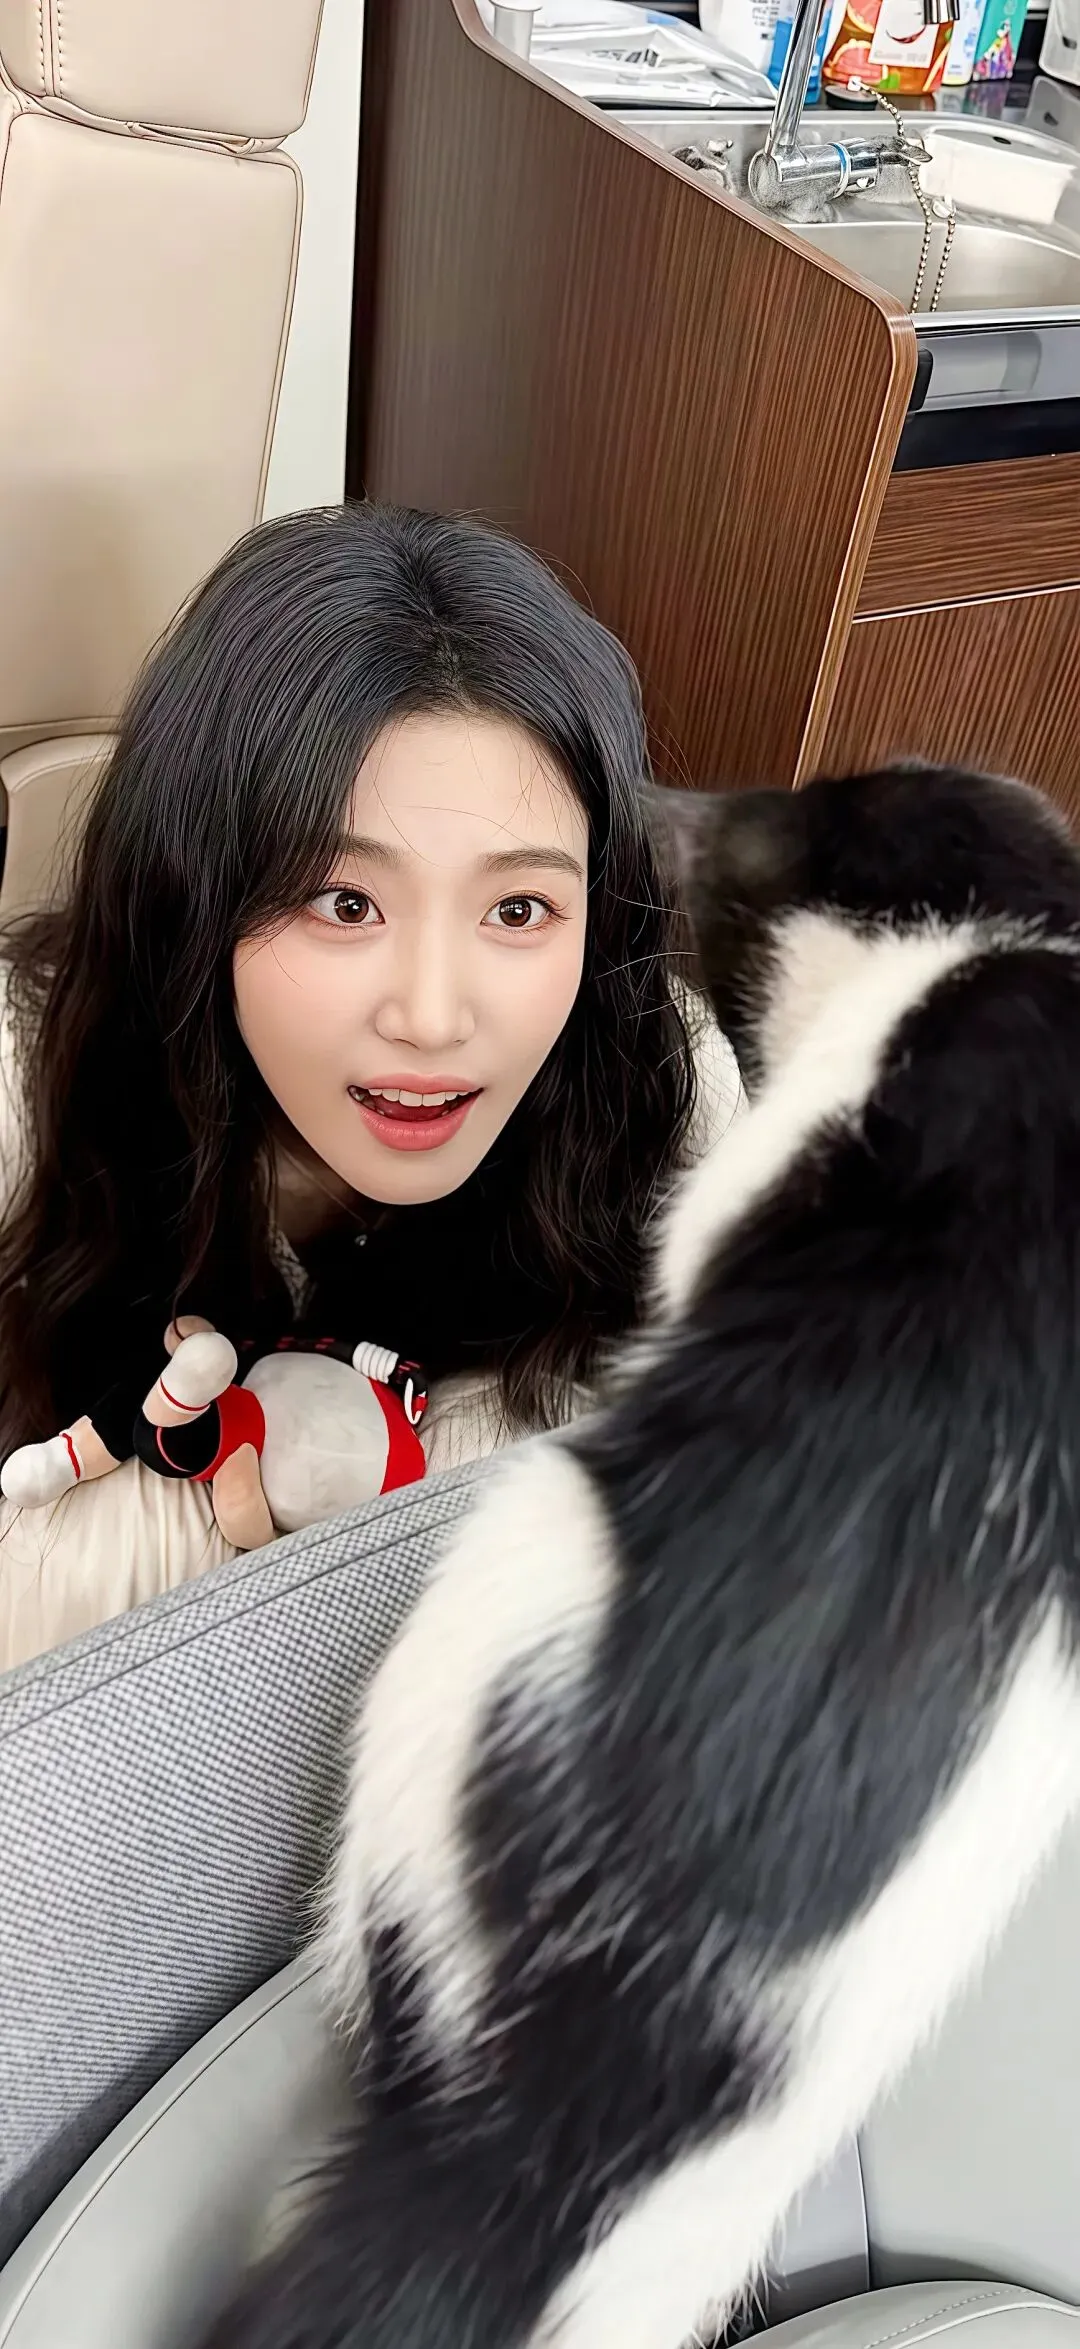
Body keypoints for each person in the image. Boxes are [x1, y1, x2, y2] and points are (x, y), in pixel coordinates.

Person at [0, 503, 740, 1670]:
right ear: (194, 898)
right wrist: (201, 1524)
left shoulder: (665, 1095)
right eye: (344, 904)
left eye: (518, 909)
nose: (434, 1019)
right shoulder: (23, 1094)